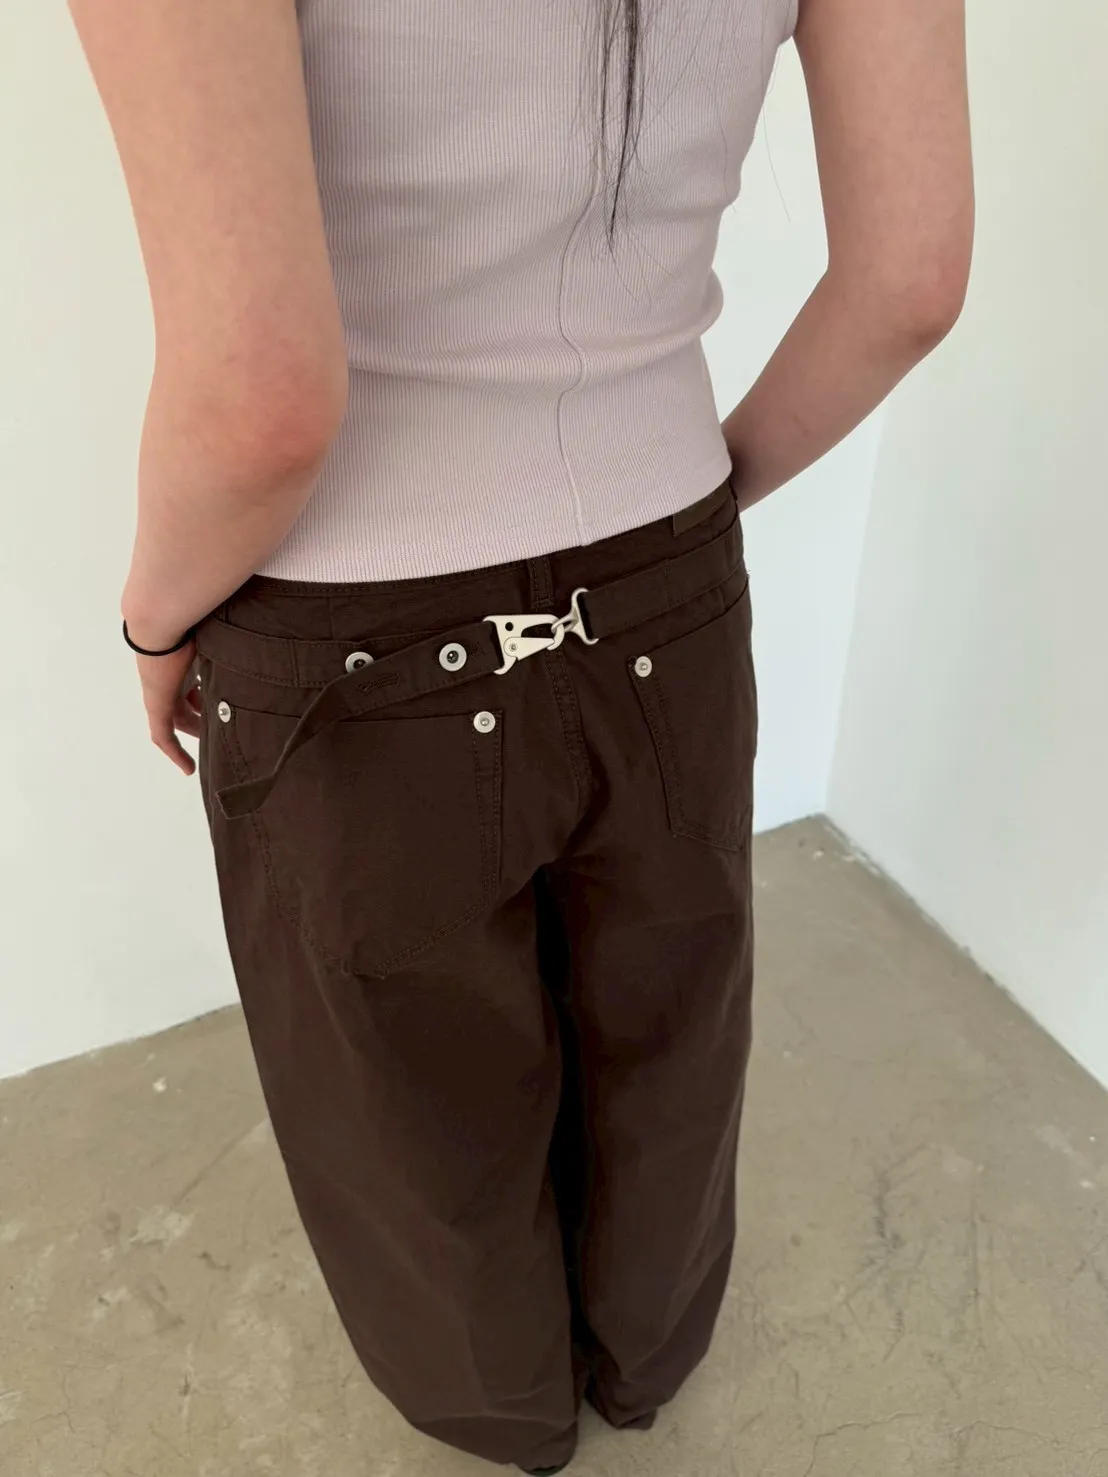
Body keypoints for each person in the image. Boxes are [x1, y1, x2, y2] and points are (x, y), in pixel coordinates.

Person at [70, 0, 972, 1469]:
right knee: (669, 1018)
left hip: (348, 625)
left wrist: (156, 623)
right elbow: (912, 283)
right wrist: (681, 522)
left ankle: (500, 1413)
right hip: (667, 561)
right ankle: (648, 1355)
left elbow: (261, 398)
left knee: (405, 1091)